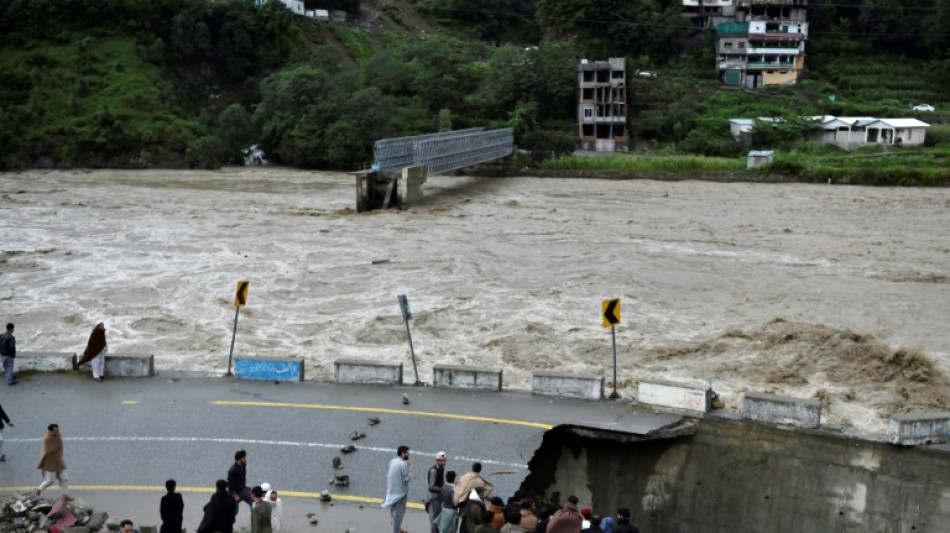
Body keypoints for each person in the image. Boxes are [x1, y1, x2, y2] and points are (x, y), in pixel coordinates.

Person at [381, 444, 413, 533]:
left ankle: (397, 529)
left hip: (391, 492)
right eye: (407, 453)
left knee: (393, 514)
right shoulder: (403, 465)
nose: (409, 454)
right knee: (398, 516)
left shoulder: (393, 461)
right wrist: (410, 471)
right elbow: (406, 479)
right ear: (403, 453)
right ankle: (396, 531)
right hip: (400, 495)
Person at [35, 424, 71, 500]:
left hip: (59, 461)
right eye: (55, 431)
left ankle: (65, 495)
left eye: (58, 430)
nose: (57, 432)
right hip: (50, 463)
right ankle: (39, 489)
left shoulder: (58, 435)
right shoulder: (47, 439)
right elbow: (47, 451)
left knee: (64, 478)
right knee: (50, 481)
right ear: (51, 431)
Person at [427, 451, 447, 533]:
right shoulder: (433, 471)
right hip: (434, 498)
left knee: (438, 518)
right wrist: (442, 489)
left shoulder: (441, 468)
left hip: (438, 496)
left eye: (445, 460)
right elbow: (431, 487)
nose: (443, 462)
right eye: (442, 461)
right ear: (437, 461)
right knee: (435, 519)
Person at [228, 450, 252, 515]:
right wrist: (235, 495)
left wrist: (244, 485)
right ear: (239, 460)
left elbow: (242, 477)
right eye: (243, 458)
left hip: (243, 490)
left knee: (253, 501)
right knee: (234, 511)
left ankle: (255, 518)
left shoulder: (243, 464)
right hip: (235, 493)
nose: (245, 459)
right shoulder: (232, 471)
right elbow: (230, 486)